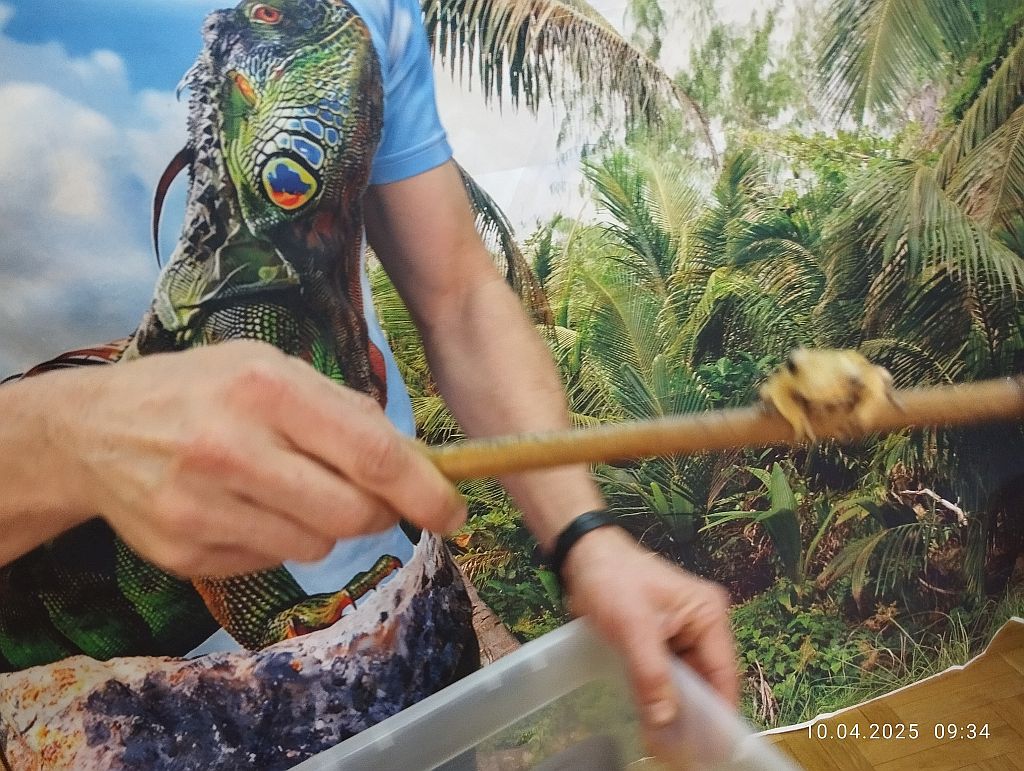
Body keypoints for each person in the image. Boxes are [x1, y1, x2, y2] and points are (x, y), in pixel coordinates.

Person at [0, 0, 736, 762]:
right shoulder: (230, 295)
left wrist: (585, 537)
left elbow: (456, 294)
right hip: (99, 715)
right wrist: (75, 439)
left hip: (410, 664)